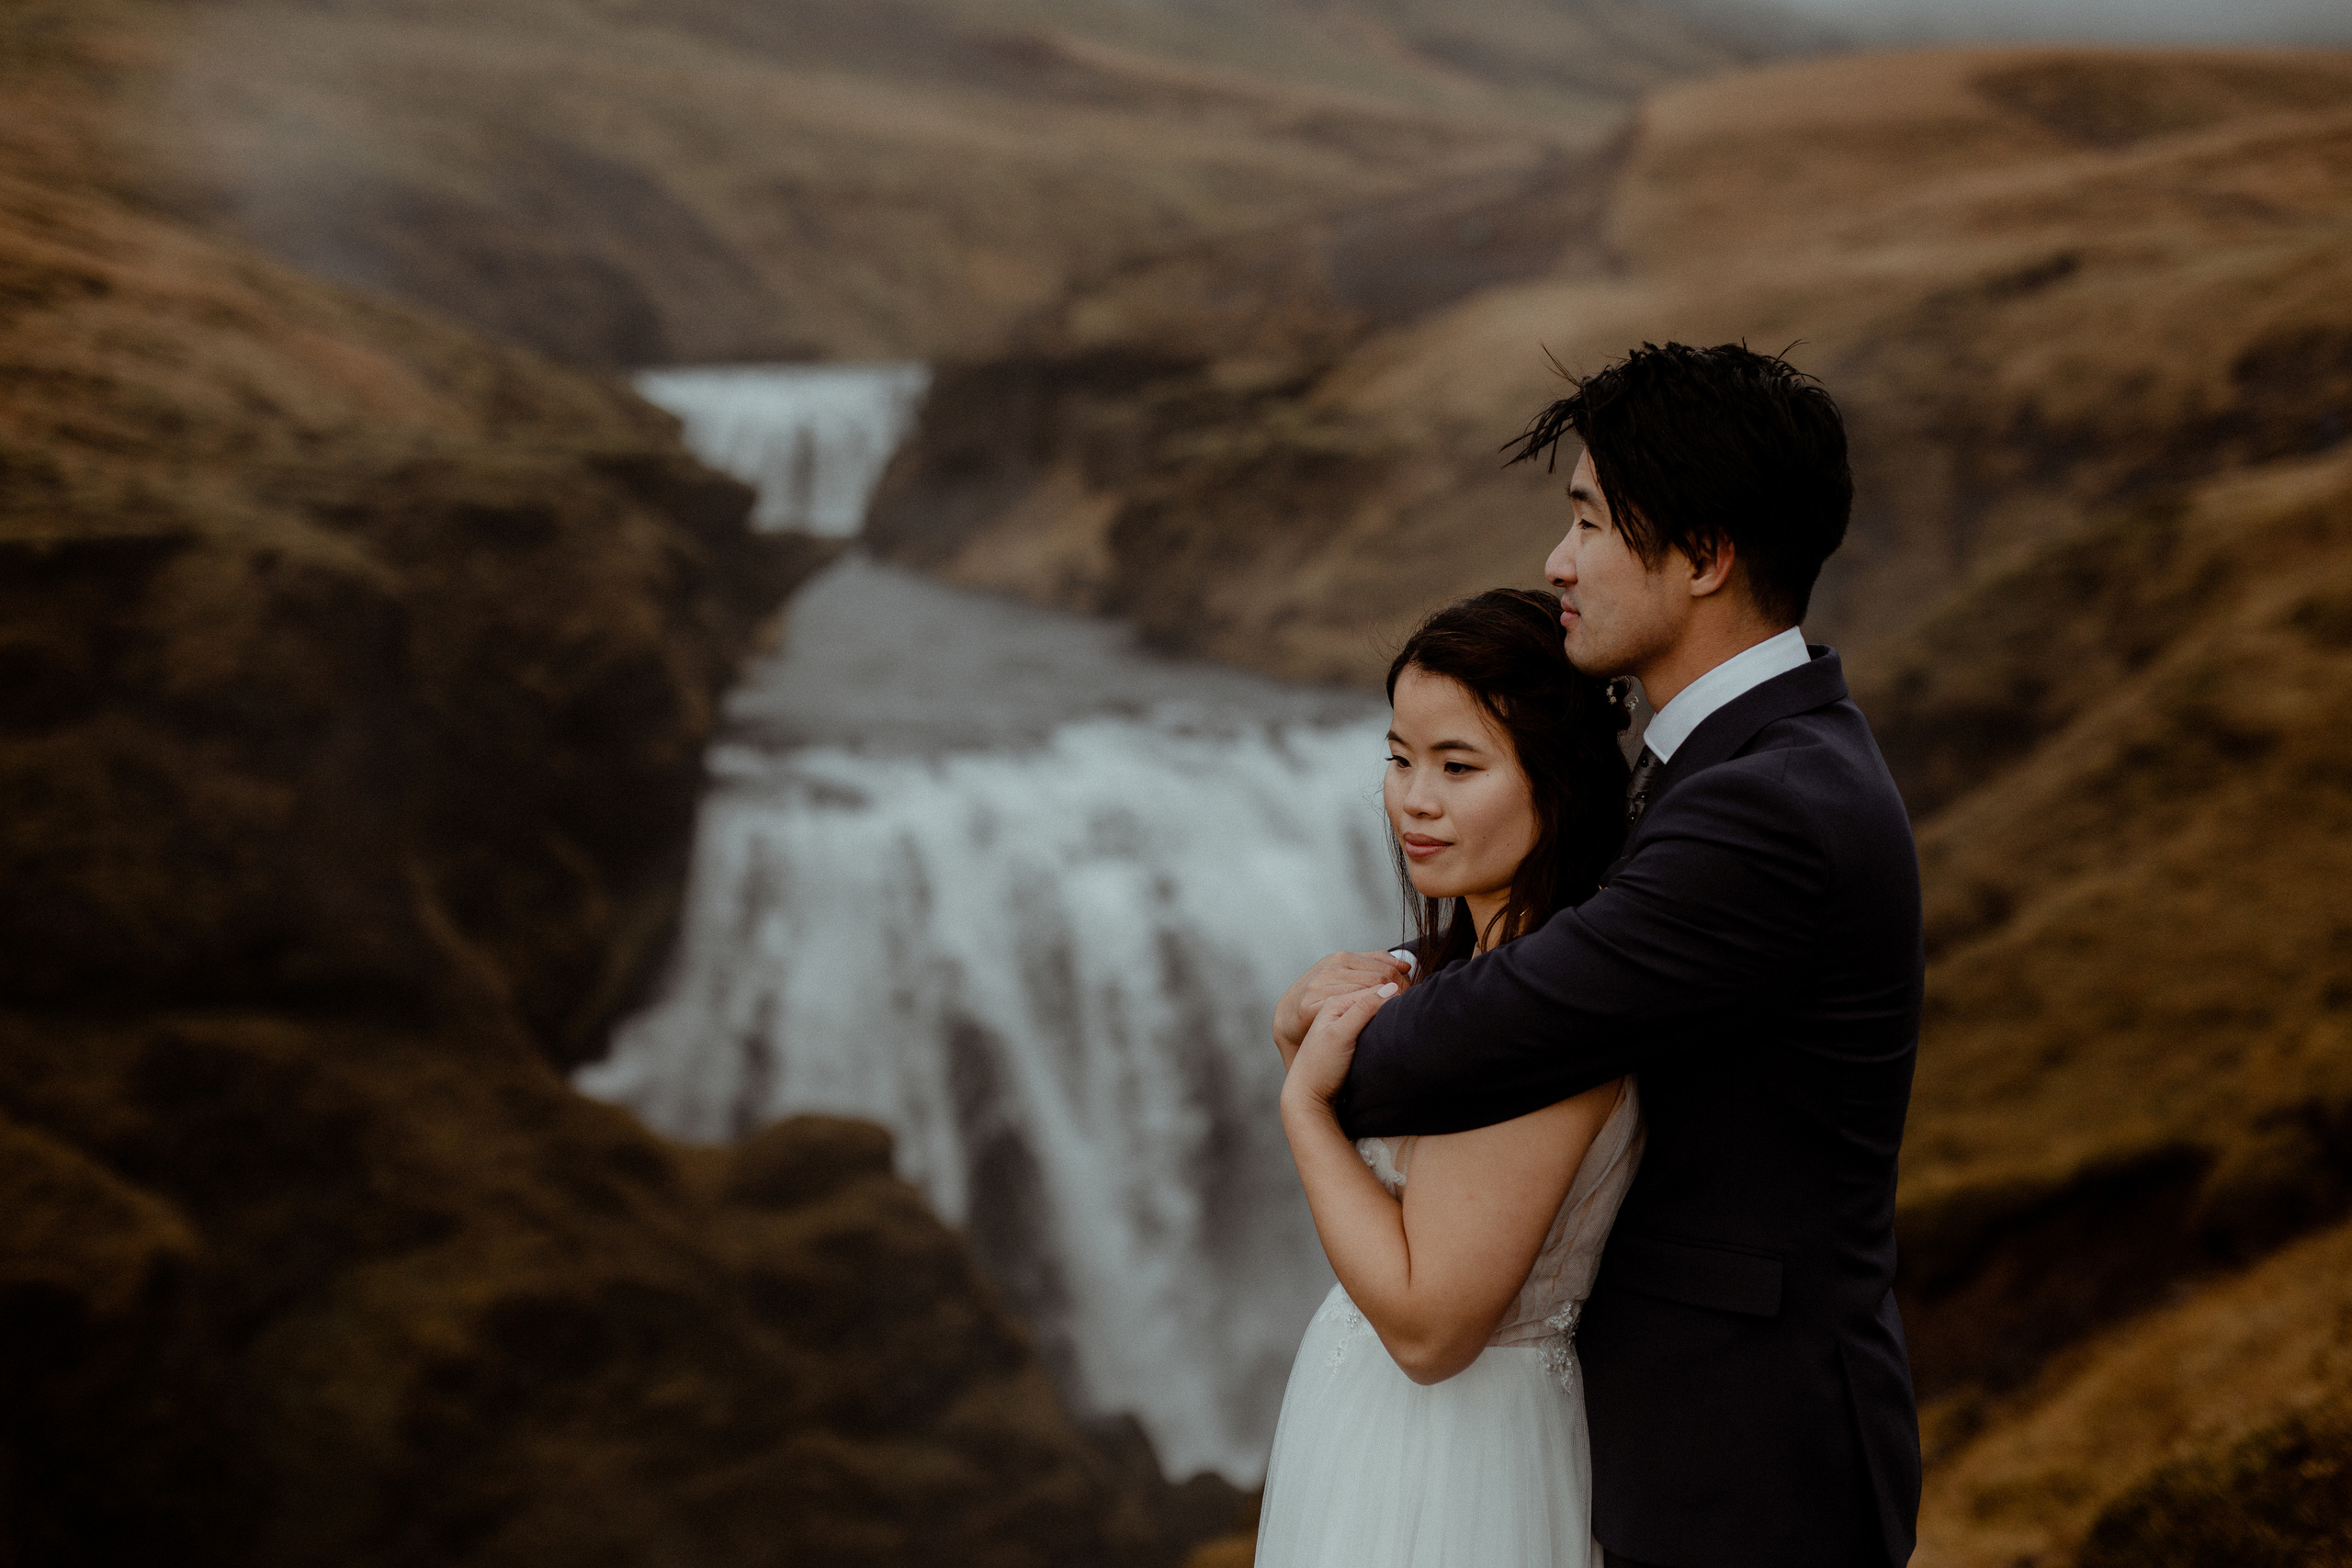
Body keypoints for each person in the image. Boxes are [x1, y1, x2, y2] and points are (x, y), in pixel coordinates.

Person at [1275, 342, 1924, 1568]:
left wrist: (1313, 1051)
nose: (1557, 561)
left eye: (1586, 520)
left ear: (1704, 554)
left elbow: (1504, 1025)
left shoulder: (1765, 804)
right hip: (1686, 1435)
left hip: (1745, 1461)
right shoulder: (1740, 763)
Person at [1257, 587, 1637, 1568]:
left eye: (1457, 766)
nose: (1412, 800)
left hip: (1458, 1457)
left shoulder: (1538, 1019)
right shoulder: (1453, 976)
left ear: (1556, 786)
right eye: (1398, 758)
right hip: (1368, 1430)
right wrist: (1291, 1031)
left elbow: (1431, 1330)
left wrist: (1302, 1107)